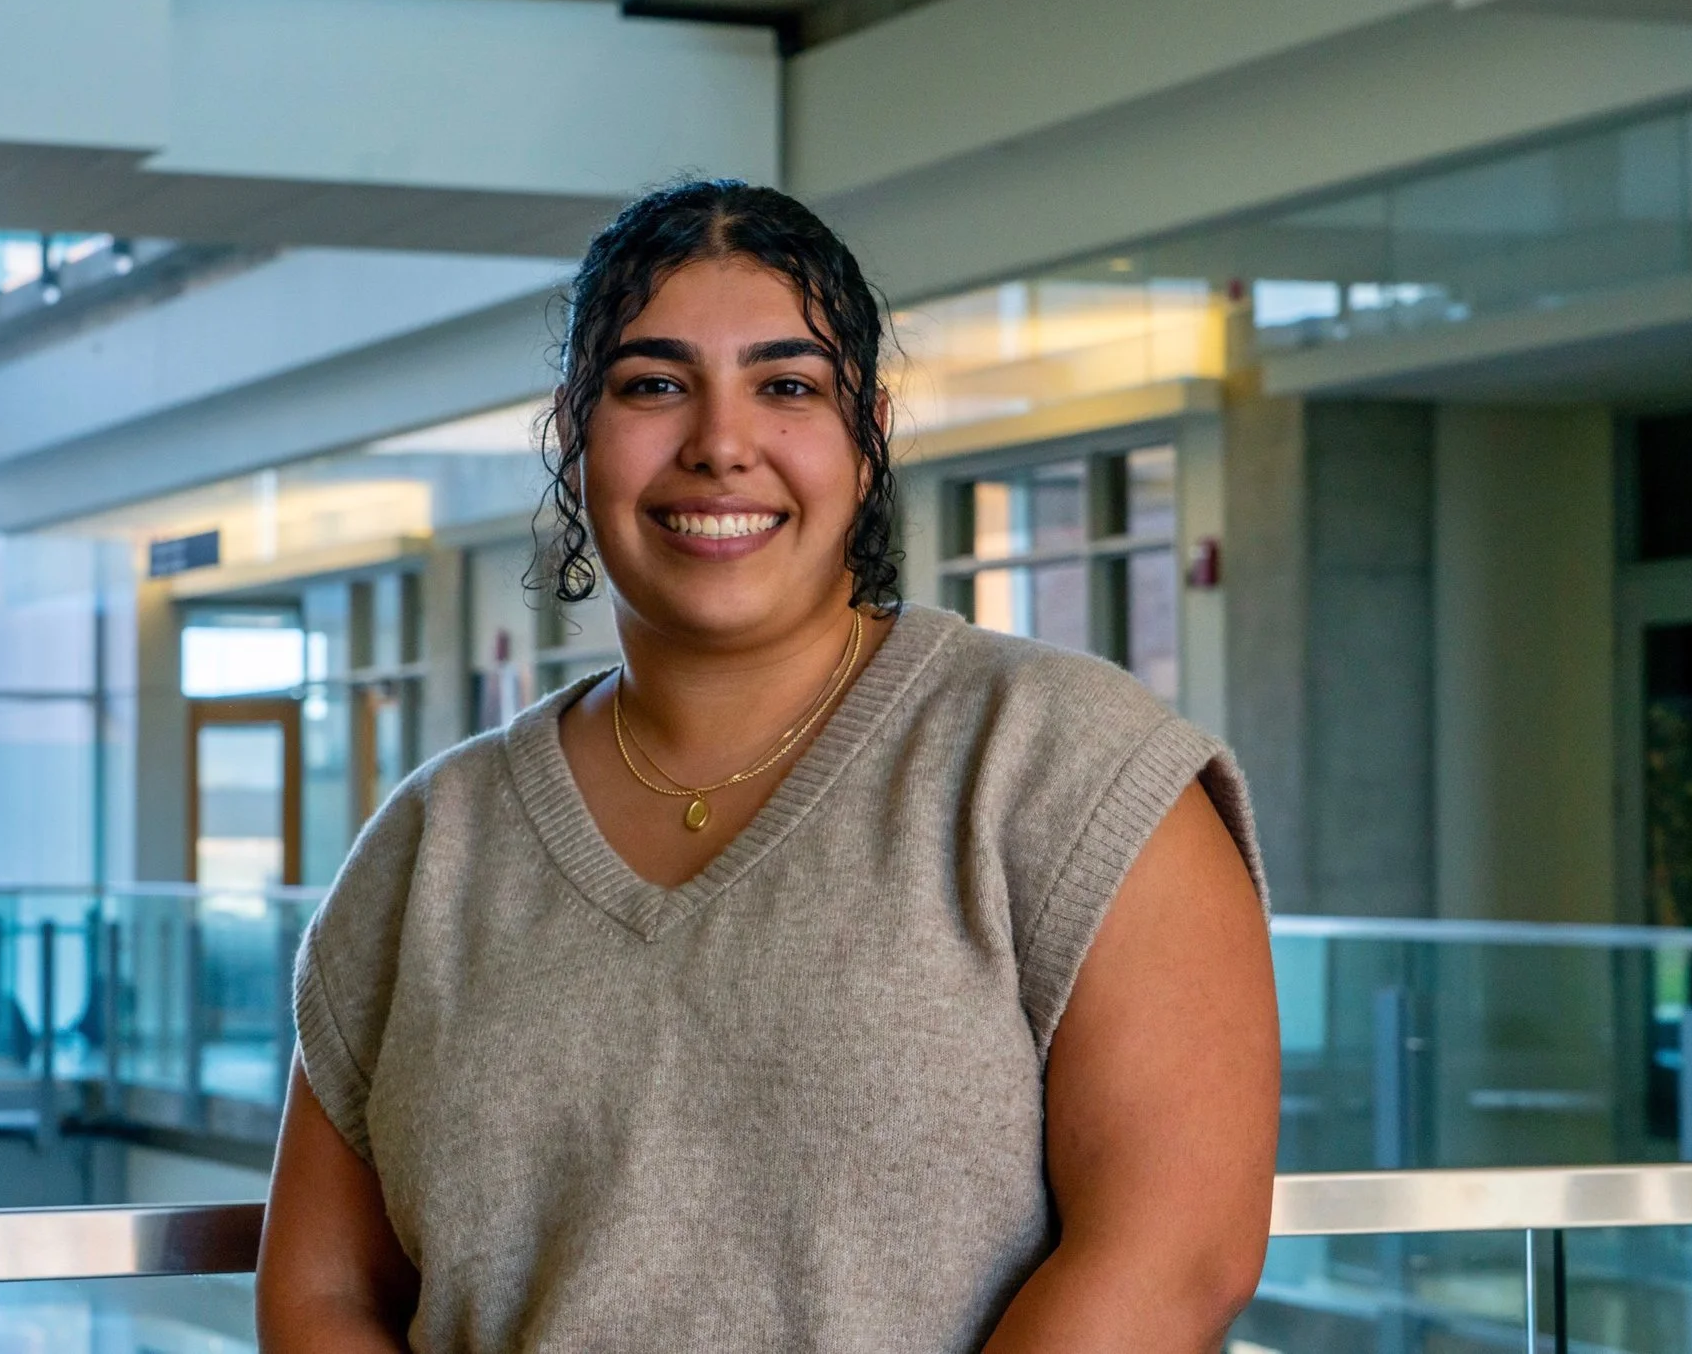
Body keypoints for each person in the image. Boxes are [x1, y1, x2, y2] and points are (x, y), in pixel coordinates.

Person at [255, 180, 1278, 1353]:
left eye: (785, 386)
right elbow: (323, 1293)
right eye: (653, 384)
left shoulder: (1061, 764)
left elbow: (1174, 1254)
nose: (719, 444)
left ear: (868, 431)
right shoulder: (433, 841)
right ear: (573, 428)